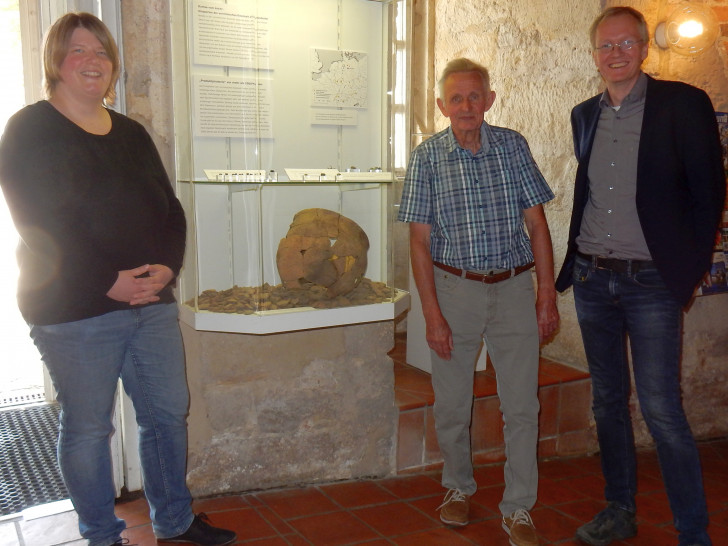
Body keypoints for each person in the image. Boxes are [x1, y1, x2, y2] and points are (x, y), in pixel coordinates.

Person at [0, 12, 236, 546]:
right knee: (89, 428)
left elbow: (170, 209)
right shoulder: (30, 128)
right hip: (73, 309)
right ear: (56, 63)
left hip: (150, 303)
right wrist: (108, 281)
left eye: (101, 52)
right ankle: (102, 535)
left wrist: (168, 267)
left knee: (166, 415)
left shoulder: (130, 132)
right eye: (78, 50)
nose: (93, 61)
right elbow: (33, 218)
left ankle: (173, 519)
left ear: (114, 66)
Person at [555, 7, 725, 546]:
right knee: (608, 401)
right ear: (593, 54)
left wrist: (690, 269)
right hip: (591, 276)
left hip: (651, 280)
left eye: (626, 43)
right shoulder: (584, 114)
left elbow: (709, 193)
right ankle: (619, 510)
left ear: (644, 48)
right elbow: (588, 192)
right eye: (605, 46)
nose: (616, 54)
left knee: (661, 408)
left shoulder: (683, 104)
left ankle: (692, 531)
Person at [398, 57, 560, 546]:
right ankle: (457, 488)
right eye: (456, 98)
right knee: (452, 401)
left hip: (513, 289)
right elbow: (419, 243)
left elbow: (537, 226)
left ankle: (518, 509)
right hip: (454, 291)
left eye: (475, 96)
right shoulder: (427, 157)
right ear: (441, 104)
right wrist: (431, 314)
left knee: (522, 404)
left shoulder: (513, 146)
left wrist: (546, 293)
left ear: (489, 99)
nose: (466, 106)